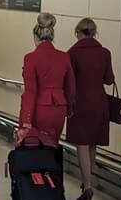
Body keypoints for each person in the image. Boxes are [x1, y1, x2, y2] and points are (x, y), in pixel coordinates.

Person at [66, 18, 115, 200]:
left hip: (80, 104)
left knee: (82, 145)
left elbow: (69, 80)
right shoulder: (104, 53)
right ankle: (88, 182)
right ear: (94, 33)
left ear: (78, 33)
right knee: (93, 143)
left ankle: (86, 185)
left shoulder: (72, 53)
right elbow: (109, 79)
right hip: (99, 103)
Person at [16, 13, 76, 149]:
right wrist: (69, 108)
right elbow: (71, 86)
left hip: (39, 109)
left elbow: (31, 91)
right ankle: (51, 169)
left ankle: (39, 170)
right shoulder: (64, 57)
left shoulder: (31, 58)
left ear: (36, 36)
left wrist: (26, 120)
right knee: (52, 145)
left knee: (36, 147)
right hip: (59, 109)